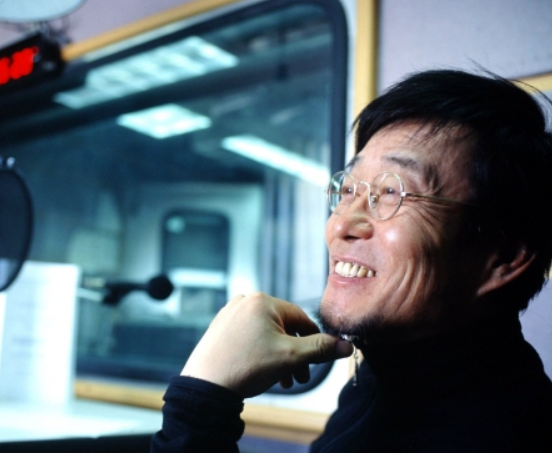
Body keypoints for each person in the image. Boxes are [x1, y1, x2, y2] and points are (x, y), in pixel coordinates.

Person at [150, 69, 552, 452]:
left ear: (503, 257)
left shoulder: (498, 437)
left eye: (392, 192)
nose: (341, 224)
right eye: (348, 190)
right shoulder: (383, 379)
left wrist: (203, 403)